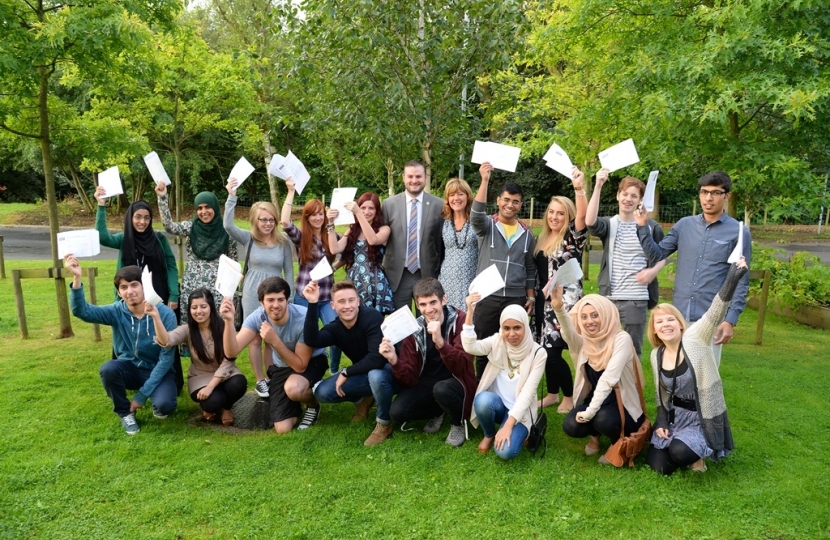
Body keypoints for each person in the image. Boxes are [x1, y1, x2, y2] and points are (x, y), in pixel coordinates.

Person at [636, 171, 751, 366]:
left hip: (711, 318)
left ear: (727, 196)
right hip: (678, 318)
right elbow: (656, 255)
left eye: (715, 193)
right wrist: (642, 226)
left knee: (704, 379)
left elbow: (741, 280)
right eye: (704, 192)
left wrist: (730, 320)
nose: (708, 198)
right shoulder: (684, 225)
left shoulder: (738, 232)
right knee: (674, 372)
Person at [646, 258, 747, 475]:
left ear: (680, 324)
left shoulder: (695, 339)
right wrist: (662, 421)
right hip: (676, 416)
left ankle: (699, 455)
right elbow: (660, 394)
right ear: (654, 330)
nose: (665, 325)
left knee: (679, 452)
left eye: (670, 320)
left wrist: (733, 276)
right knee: (660, 466)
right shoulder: (656, 355)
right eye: (659, 322)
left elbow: (715, 311)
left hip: (701, 416)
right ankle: (679, 447)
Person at [65, 254, 177, 435]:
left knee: (165, 406)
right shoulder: (116, 311)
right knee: (108, 369)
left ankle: (156, 400)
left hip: (157, 369)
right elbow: (82, 311)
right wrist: (77, 277)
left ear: (145, 286)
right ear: (119, 293)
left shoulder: (165, 314)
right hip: (129, 368)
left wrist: (141, 396)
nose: (129, 291)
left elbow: (166, 360)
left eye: (134, 285)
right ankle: (125, 413)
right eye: (123, 287)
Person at [94, 188, 184, 393]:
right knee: (128, 336)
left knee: (164, 337)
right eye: (138, 217)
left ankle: (169, 382)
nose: (142, 222)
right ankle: (128, 377)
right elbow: (102, 236)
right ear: (130, 218)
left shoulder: (159, 239)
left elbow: (170, 265)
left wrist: (173, 294)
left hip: (158, 296)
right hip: (130, 297)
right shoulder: (124, 239)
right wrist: (101, 205)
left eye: (146, 218)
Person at [377, 278, 477, 447]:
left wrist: (440, 342)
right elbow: (409, 379)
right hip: (428, 383)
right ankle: (439, 411)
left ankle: (457, 422)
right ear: (417, 305)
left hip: (458, 381)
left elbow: (462, 366)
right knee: (397, 412)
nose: (429, 310)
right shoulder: (414, 329)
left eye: (433, 302)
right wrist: (394, 359)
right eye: (423, 305)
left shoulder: (460, 320)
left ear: (443, 300)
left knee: (442, 389)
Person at [220, 277, 328, 433]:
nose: (276, 305)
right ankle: (294, 403)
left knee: (294, 388)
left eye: (280, 299)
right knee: (283, 428)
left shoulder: (303, 318)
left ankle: (312, 405)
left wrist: (275, 341)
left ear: (287, 300)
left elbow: (300, 365)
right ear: (261, 303)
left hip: (311, 361)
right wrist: (229, 321)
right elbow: (232, 351)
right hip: (283, 366)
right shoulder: (258, 317)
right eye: (270, 300)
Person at [552, 287, 646, 463]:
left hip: (623, 405)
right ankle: (595, 436)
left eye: (595, 315)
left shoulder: (621, 339)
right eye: (584, 317)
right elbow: (569, 334)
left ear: (606, 314)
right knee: (571, 425)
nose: (589, 322)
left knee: (602, 419)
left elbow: (608, 379)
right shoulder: (586, 341)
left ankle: (617, 442)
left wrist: (590, 412)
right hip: (596, 401)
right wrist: (558, 308)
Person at [224, 178, 294, 398]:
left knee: (272, 338)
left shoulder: (282, 242)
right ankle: (260, 380)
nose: (268, 223)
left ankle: (273, 376)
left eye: (271, 219)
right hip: (253, 292)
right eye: (263, 219)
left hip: (276, 295)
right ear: (255, 220)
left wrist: (288, 298)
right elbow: (227, 225)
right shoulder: (249, 239)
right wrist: (231, 197)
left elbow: (289, 271)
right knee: (254, 337)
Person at [586, 169, 665, 357]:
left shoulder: (652, 228)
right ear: (618, 196)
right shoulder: (609, 224)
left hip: (636, 299)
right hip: (609, 298)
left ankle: (631, 386)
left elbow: (662, 256)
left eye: (634, 196)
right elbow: (590, 222)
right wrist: (598, 185)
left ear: (640, 200)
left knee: (632, 351)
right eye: (625, 194)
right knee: (605, 349)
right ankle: (610, 386)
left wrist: (653, 271)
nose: (628, 199)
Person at [302, 280, 389, 446]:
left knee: (375, 375)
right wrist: (313, 303)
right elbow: (312, 340)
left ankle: (384, 423)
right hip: (364, 372)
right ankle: (363, 401)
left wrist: (346, 372)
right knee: (323, 392)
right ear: (333, 305)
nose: (347, 306)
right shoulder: (335, 328)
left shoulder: (372, 317)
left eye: (351, 300)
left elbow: (377, 359)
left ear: (358, 301)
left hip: (389, 370)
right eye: (341, 302)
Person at [470, 162, 536, 378]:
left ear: (520, 204)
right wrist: (485, 180)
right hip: (487, 297)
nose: (510, 205)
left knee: (513, 348)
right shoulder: (487, 225)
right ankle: (482, 390)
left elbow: (529, 268)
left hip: (515, 299)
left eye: (515, 201)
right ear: (498, 201)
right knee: (483, 348)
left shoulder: (527, 234)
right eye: (506, 199)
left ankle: (509, 391)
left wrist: (530, 297)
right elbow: (476, 213)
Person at [461, 295, 546, 460]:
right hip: (498, 406)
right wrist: (470, 311)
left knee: (506, 452)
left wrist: (508, 426)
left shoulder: (538, 353)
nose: (511, 334)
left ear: (525, 326)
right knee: (483, 400)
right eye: (506, 328)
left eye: (517, 328)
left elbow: (527, 394)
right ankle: (489, 434)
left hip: (521, 412)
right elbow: (470, 346)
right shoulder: (497, 341)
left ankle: (518, 432)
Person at [147, 288, 247, 426]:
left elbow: (229, 359)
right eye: (194, 307)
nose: (198, 311)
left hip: (226, 372)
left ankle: (227, 407)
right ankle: (212, 405)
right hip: (200, 376)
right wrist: (155, 317)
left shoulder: (223, 326)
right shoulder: (188, 329)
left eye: (203, 306)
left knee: (238, 384)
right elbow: (166, 341)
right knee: (213, 402)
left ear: (211, 307)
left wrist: (211, 387)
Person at [533, 167, 588, 413]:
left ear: (568, 216)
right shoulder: (542, 238)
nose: (555, 217)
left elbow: (583, 220)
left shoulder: (571, 238)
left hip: (565, 303)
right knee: (544, 352)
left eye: (561, 213)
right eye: (552, 212)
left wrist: (579, 189)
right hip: (542, 303)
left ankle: (569, 396)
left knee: (554, 353)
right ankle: (553, 394)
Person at [280, 178, 342, 373]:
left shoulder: (331, 235)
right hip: (305, 296)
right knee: (305, 336)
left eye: (320, 214)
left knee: (337, 334)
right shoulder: (302, 237)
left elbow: (343, 253)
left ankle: (333, 370)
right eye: (313, 215)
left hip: (326, 298)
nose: (317, 218)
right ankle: (303, 368)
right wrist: (291, 191)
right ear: (306, 217)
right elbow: (284, 222)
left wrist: (333, 267)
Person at [156, 182, 237, 325]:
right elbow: (169, 226)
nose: (203, 211)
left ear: (215, 208)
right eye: (199, 208)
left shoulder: (227, 231)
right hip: (192, 287)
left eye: (207, 207)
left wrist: (232, 295)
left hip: (217, 290)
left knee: (216, 327)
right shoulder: (191, 227)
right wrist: (162, 197)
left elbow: (233, 265)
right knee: (191, 326)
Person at [381, 160, 444, 312]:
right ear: (403, 177)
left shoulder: (439, 205)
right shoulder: (389, 205)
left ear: (425, 177)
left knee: (428, 318)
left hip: (427, 272)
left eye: (418, 176)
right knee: (401, 322)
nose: (414, 180)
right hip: (398, 274)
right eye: (410, 176)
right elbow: (379, 238)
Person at [326, 192, 395, 314]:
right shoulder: (352, 231)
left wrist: (358, 213)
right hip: (355, 280)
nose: (366, 211)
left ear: (377, 211)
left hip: (375, 282)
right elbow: (334, 249)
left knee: (374, 321)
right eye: (362, 207)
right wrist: (330, 223)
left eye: (371, 208)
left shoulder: (384, 229)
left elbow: (372, 240)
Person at [437, 178, 478, 309]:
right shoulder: (443, 222)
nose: (456, 198)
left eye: (460, 194)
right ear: (447, 198)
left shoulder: (477, 221)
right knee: (448, 319)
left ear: (467, 196)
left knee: (469, 321)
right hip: (447, 281)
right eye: (452, 194)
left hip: (471, 280)